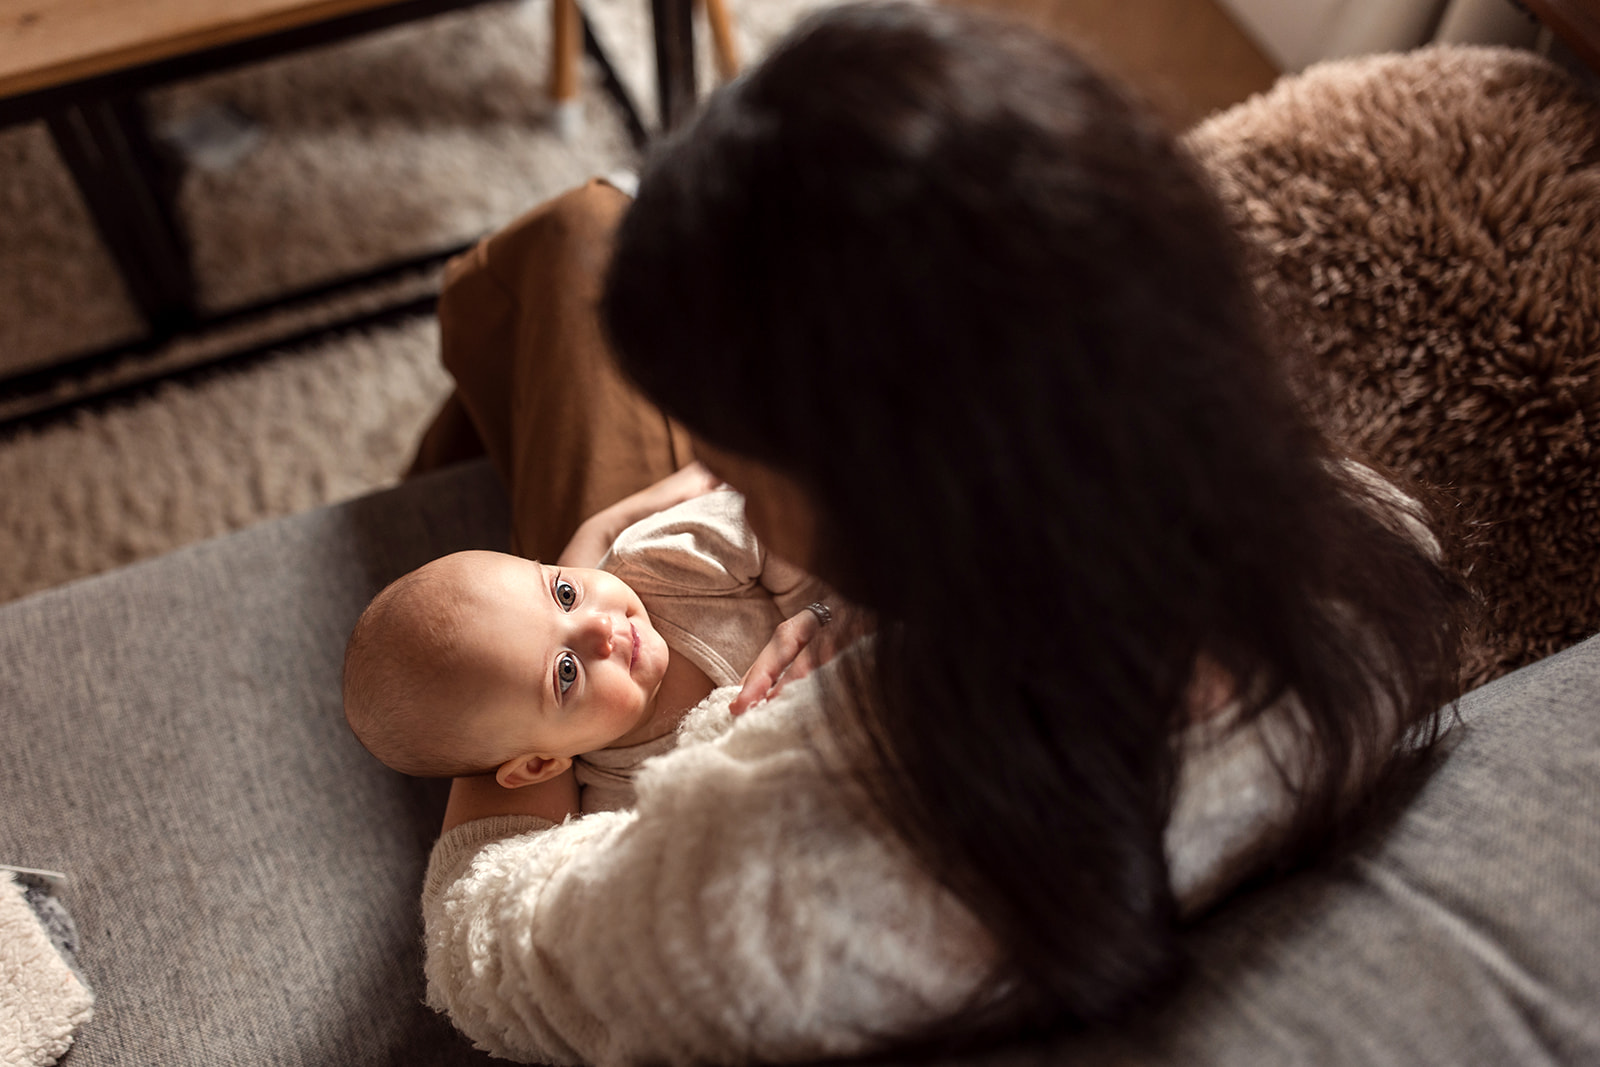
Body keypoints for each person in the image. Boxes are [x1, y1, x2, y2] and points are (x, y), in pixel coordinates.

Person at [411, 3, 1464, 1062]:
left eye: (730, 470)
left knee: (565, 245)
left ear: (894, 497)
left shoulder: (766, 880)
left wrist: (506, 700)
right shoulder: (1358, 564)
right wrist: (868, 593)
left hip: (664, 728)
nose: (710, 481)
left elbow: (486, 946)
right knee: (581, 254)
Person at [342, 472, 826, 813]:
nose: (599, 628)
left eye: (565, 593)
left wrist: (822, 615)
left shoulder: (659, 559)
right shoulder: (624, 801)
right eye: (566, 672)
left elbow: (780, 524)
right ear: (537, 764)